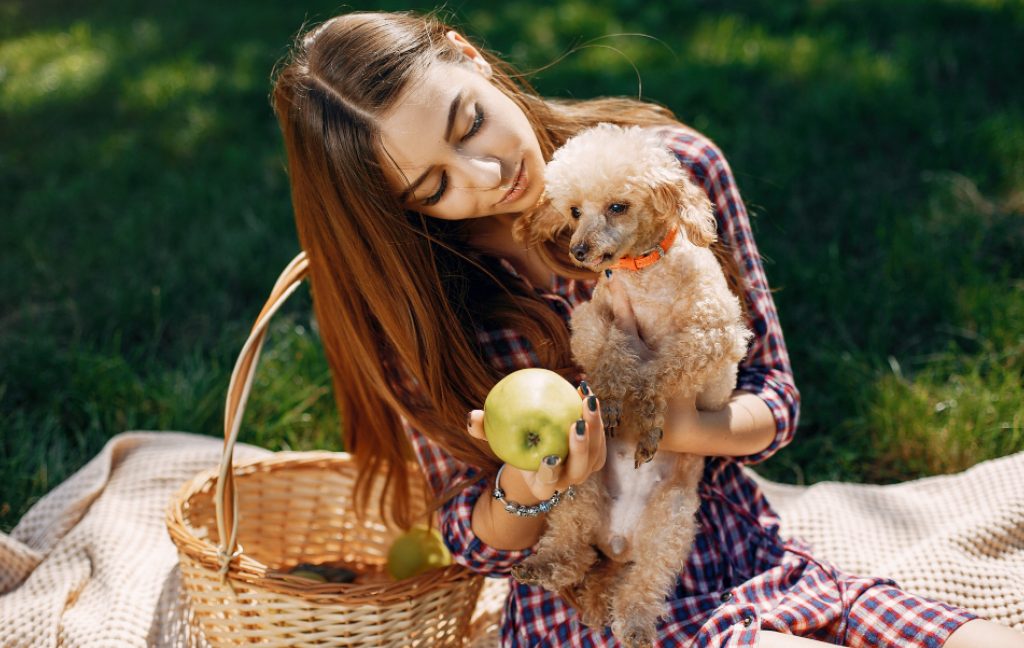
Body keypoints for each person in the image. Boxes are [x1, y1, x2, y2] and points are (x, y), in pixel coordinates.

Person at [269, 10, 1024, 647]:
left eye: (471, 122)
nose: (487, 176)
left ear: (471, 57)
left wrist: (655, 423)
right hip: (589, 609)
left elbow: (774, 401)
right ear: (401, 208)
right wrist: (528, 483)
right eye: (435, 186)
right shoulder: (414, 304)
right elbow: (467, 537)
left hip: (732, 544)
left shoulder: (668, 177)